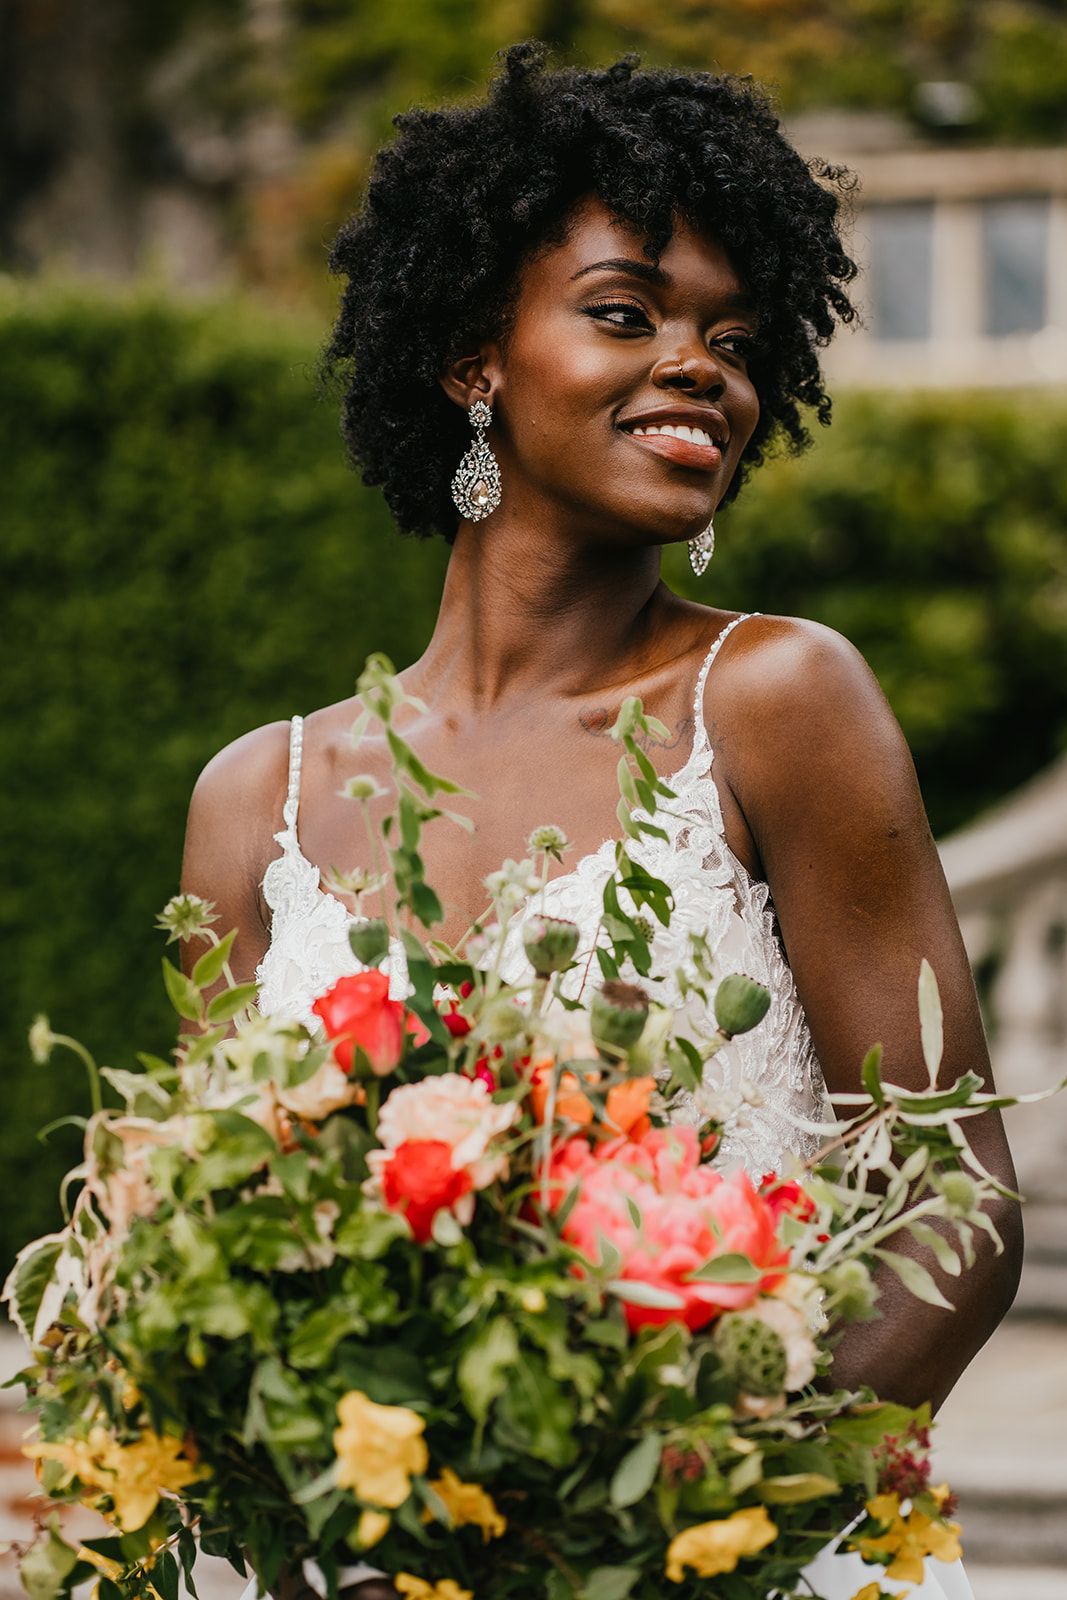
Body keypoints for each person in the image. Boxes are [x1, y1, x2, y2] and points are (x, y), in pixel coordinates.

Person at [180, 42, 1020, 1600]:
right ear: (472, 358)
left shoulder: (780, 700)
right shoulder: (257, 798)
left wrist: (665, 1542)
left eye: (737, 337)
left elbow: (950, 1202)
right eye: (626, 313)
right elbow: (216, 1261)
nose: (702, 363)